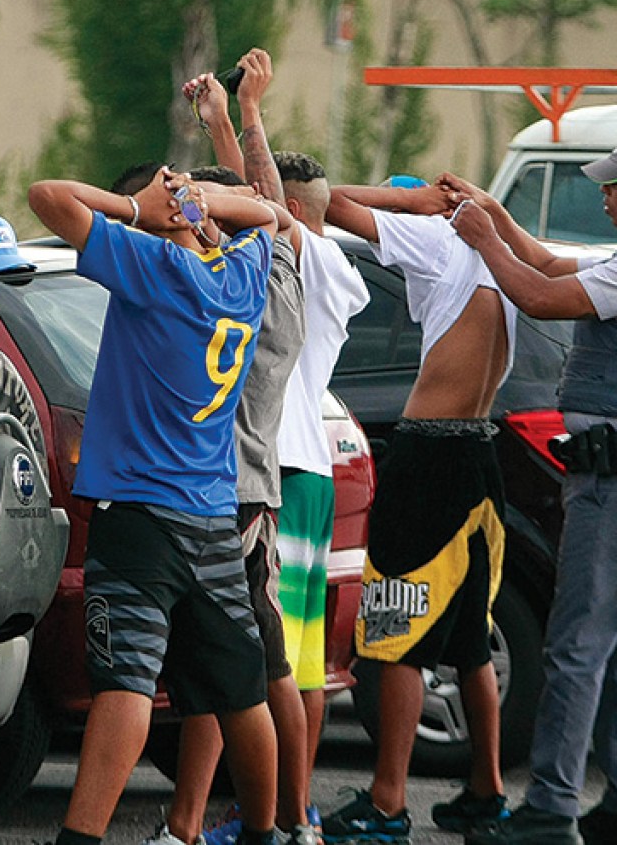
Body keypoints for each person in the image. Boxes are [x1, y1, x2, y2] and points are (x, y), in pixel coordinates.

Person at [446, 127, 617, 845]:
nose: (605, 190)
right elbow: (550, 260)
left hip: (615, 471)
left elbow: (537, 293)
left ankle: (552, 807)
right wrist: (494, 216)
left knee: (577, 638)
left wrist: (480, 239)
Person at [28, 167, 281, 845]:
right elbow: (271, 214)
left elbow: (46, 196)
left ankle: (79, 837)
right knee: (241, 690)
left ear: (176, 215)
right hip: (212, 515)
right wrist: (208, 201)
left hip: (140, 512)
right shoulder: (242, 274)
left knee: (127, 681)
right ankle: (265, 832)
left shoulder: (156, 265)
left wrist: (130, 205)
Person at [320, 177, 517, 844]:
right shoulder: (499, 251)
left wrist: (407, 200)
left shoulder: (437, 238)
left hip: (430, 457)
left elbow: (322, 200)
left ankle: (386, 802)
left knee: (397, 637)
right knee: (469, 641)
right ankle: (486, 792)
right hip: (483, 455)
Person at [155, 48, 316, 845]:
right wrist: (230, 117)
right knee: (226, 669)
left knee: (257, 670)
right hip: (238, 489)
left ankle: (290, 819)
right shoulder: (271, 276)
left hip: (236, 492)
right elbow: (266, 206)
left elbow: (263, 206)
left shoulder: (245, 291)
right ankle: (193, 820)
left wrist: (244, 117)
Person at [270, 149, 369, 804]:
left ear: (294, 211)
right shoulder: (339, 269)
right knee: (304, 663)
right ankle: (297, 806)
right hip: (315, 470)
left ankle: (274, 807)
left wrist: (240, 118)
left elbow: (264, 203)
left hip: (281, 467)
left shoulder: (311, 257)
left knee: (267, 659)